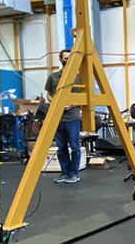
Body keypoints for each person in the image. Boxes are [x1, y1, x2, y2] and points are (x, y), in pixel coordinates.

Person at [45, 49, 82, 184]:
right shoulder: (53, 77)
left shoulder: (78, 78)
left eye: (70, 58)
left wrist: (71, 104)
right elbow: (48, 94)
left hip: (72, 117)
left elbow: (84, 96)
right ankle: (65, 172)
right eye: (65, 58)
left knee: (74, 147)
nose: (67, 60)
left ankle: (74, 173)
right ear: (60, 60)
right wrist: (55, 101)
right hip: (57, 117)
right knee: (61, 147)